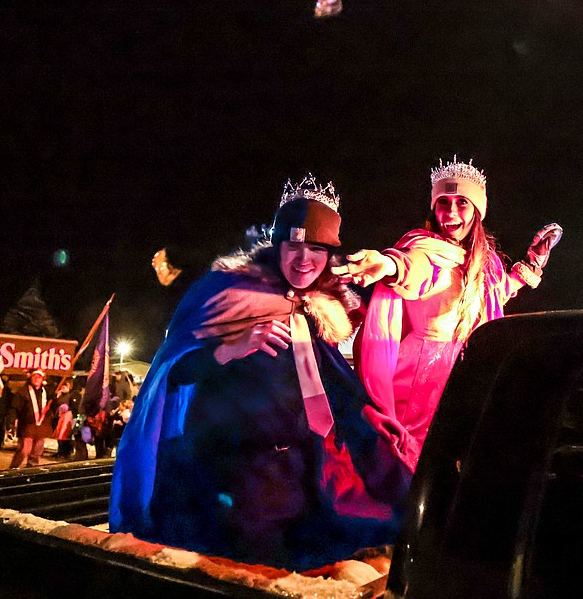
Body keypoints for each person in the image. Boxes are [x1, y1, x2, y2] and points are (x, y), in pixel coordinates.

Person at [110, 175, 410, 571]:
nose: (304, 259)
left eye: (316, 249)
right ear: (277, 244)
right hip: (232, 480)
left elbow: (336, 391)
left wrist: (376, 427)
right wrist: (231, 348)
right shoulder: (227, 291)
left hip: (302, 476)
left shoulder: (318, 307)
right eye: (294, 245)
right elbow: (174, 371)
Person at [332, 158, 563, 469]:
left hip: (468, 371)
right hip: (422, 379)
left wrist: (532, 264)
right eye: (443, 202)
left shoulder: (486, 261)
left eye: (461, 203)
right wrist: (387, 265)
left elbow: (493, 295)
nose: (451, 213)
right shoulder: (427, 248)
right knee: (416, 462)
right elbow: (417, 270)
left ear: (478, 211)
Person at [9, 370, 54, 468]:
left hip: (41, 426)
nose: (37, 379)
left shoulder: (46, 392)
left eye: (39, 377)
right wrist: (11, 423)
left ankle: (31, 470)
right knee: (24, 450)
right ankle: (13, 469)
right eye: (35, 376)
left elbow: (53, 405)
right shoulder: (23, 392)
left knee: (37, 451)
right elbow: (14, 409)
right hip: (27, 426)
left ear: (43, 379)